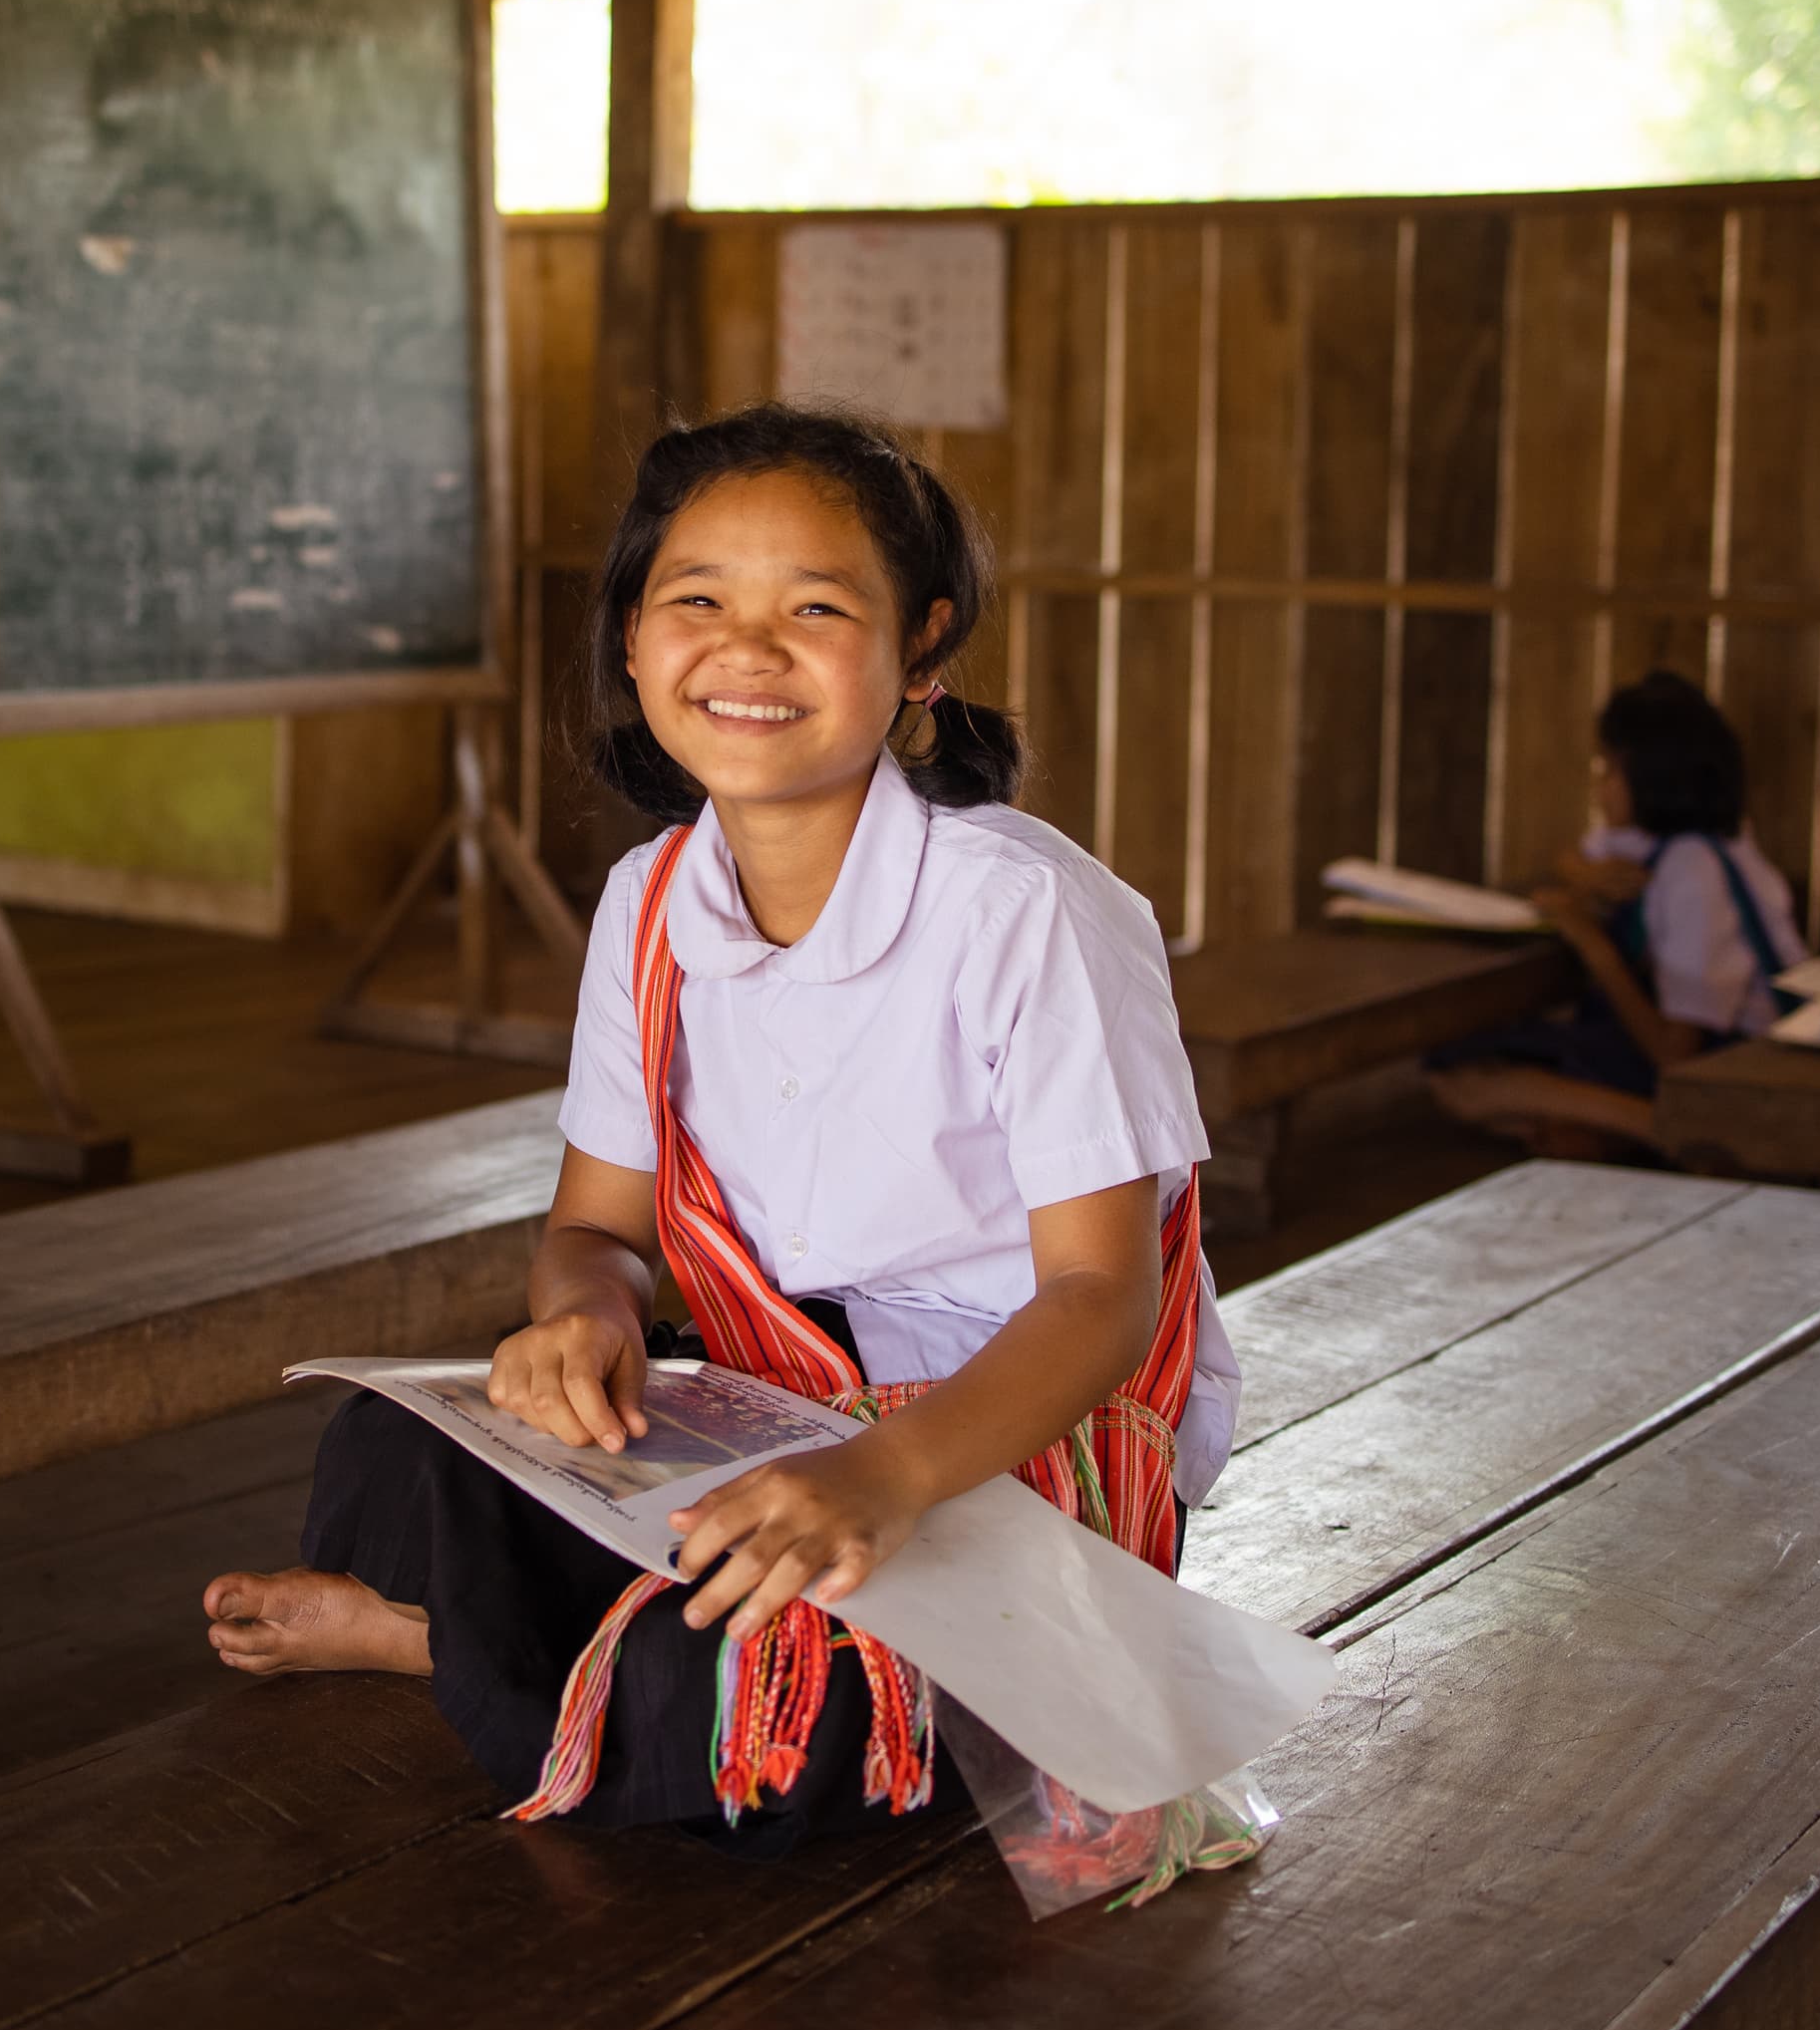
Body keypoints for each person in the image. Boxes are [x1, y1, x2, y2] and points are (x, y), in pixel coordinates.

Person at [202, 404, 1233, 1854]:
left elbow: (1103, 1303)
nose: (747, 652)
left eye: (816, 609)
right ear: (632, 639)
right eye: (696, 602)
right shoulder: (648, 906)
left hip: (1002, 1433)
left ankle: (449, 1651)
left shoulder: (1024, 909)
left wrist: (878, 1480)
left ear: (920, 650)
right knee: (391, 1450)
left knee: (748, 1706)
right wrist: (585, 1325)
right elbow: (595, 1233)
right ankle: (564, 1654)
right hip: (773, 1401)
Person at [1427, 671, 1808, 1157]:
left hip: (1735, 1063)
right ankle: (1598, 1128)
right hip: (1706, 1051)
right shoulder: (1691, 839)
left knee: (1472, 1084)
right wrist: (1583, 875)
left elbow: (1675, 1054)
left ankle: (1661, 1128)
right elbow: (1576, 854)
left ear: (1651, 779)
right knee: (1465, 1064)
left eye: (1608, 770)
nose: (1599, 786)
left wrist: (1590, 940)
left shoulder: (1694, 874)